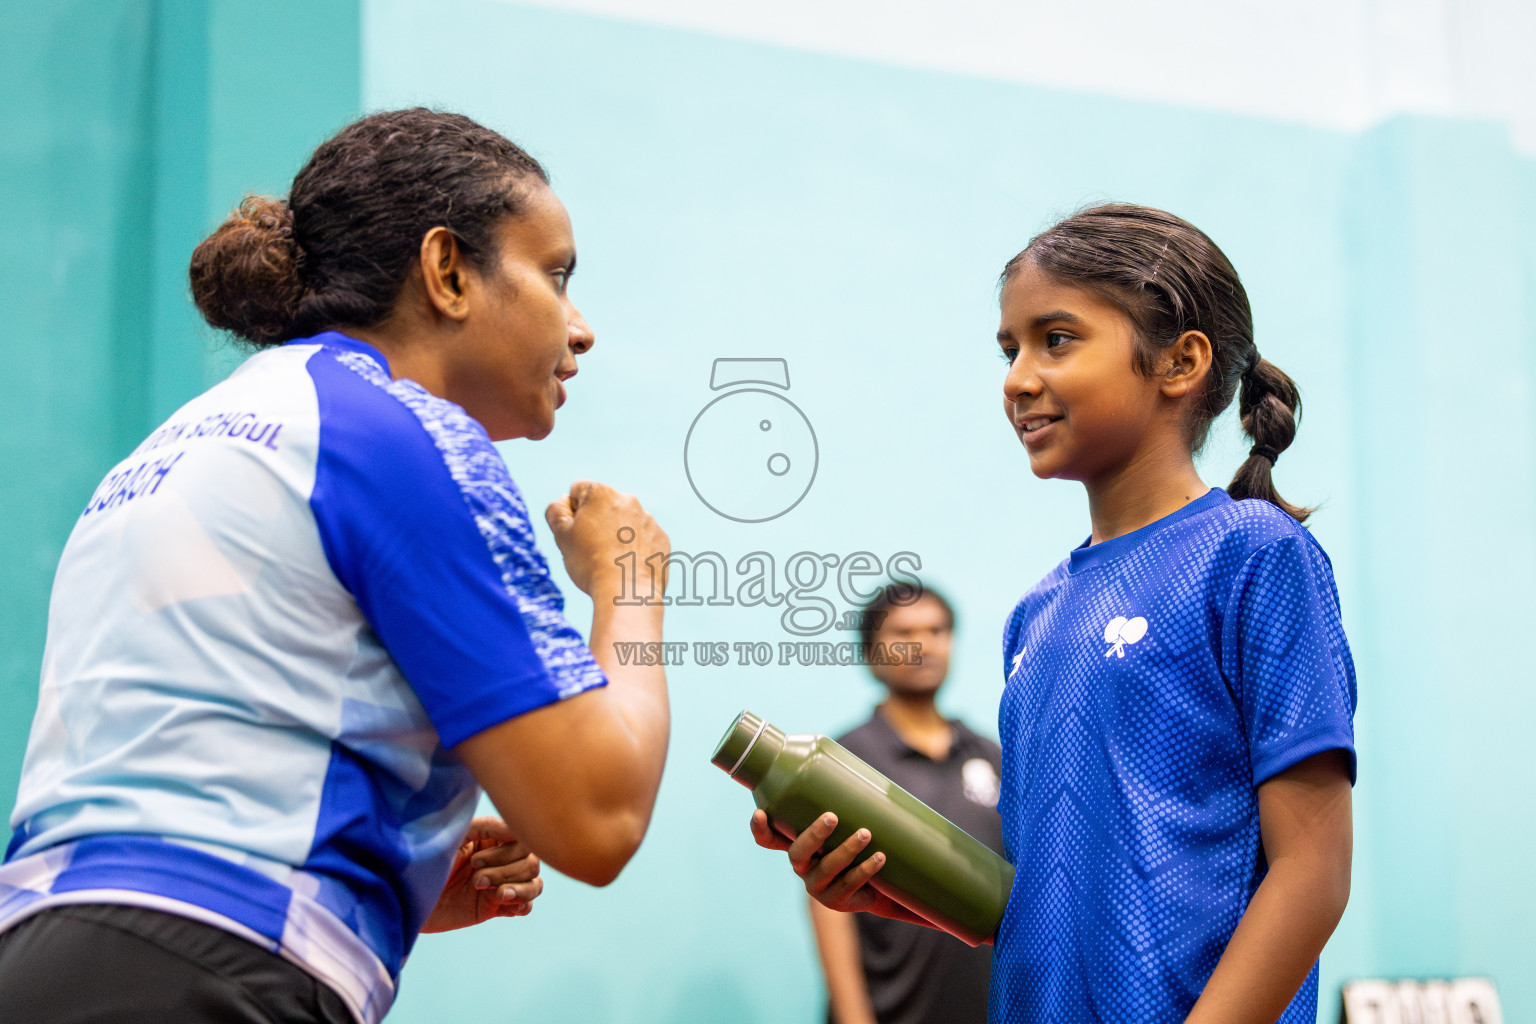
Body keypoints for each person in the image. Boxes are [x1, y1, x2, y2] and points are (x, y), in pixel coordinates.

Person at [0, 108, 671, 1024]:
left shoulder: (181, 442)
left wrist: (397, 876)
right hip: (211, 978)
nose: (579, 327)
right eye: (555, 274)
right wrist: (630, 583)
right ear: (447, 272)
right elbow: (598, 818)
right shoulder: (404, 436)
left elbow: (203, 779)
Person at [751, 204, 1357, 1023]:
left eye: (1056, 339)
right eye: (1009, 349)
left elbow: (1313, 873)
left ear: (1179, 362)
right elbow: (1046, 904)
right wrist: (892, 895)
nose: (1016, 378)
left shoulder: (1252, 554)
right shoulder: (1035, 615)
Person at [811, 586, 1004, 1024]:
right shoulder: (846, 760)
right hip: (889, 1006)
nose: (924, 645)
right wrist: (854, 1016)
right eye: (905, 632)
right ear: (870, 651)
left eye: (937, 630)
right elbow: (826, 903)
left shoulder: (991, 755)